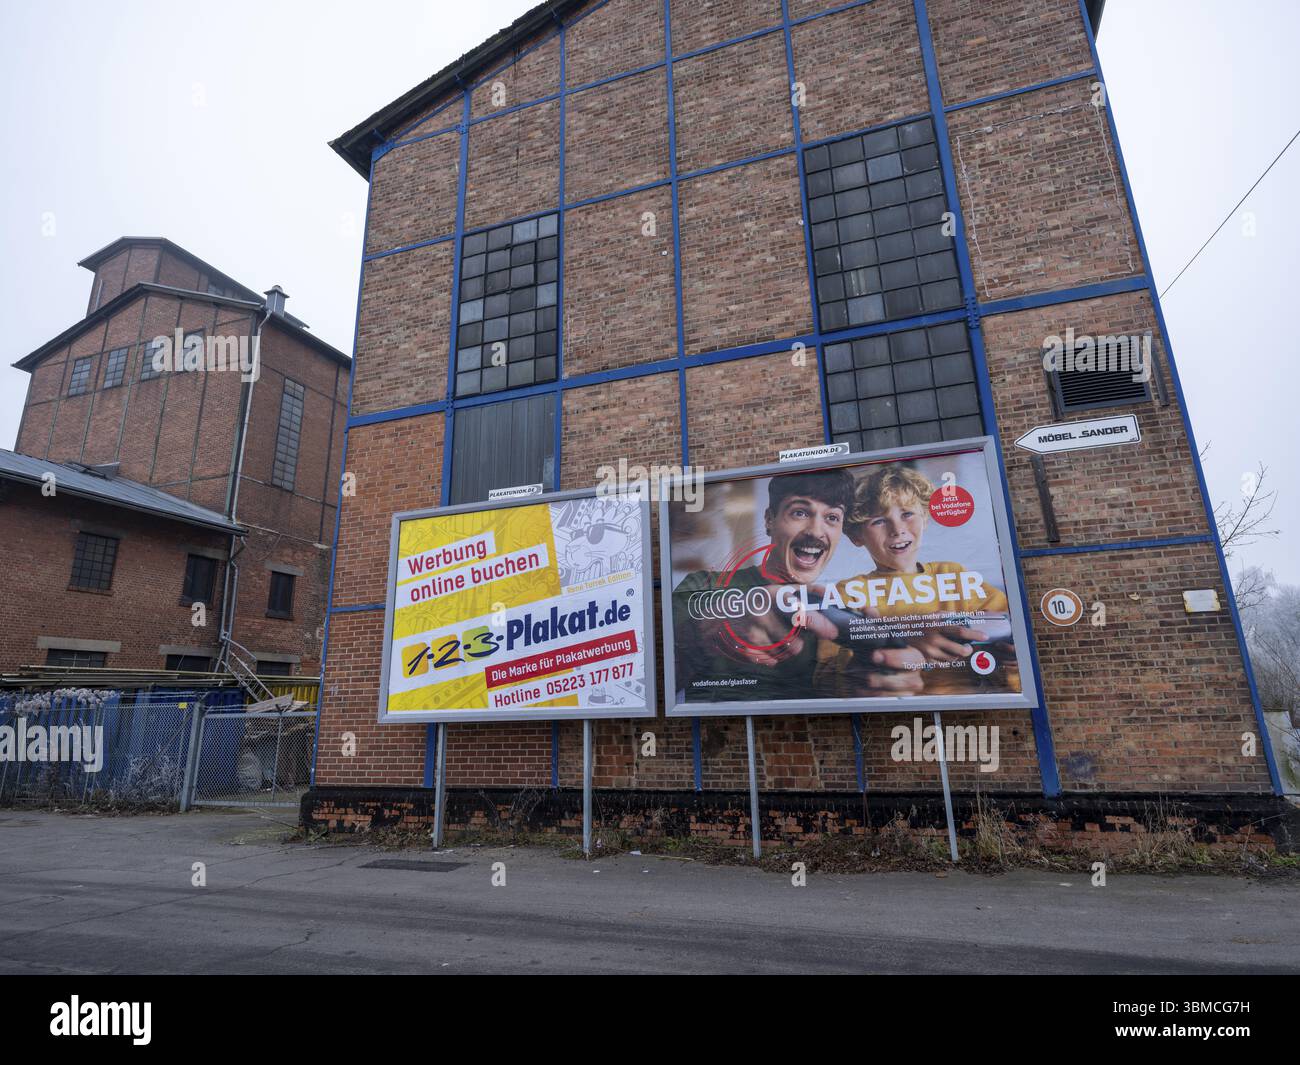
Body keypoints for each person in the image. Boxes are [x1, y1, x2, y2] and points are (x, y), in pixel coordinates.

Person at [672, 468, 924, 702]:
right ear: (770, 520)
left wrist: (868, 686)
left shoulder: (844, 613)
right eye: (800, 512)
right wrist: (717, 630)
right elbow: (659, 674)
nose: (816, 531)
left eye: (832, 517)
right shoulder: (702, 586)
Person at [814, 464, 1013, 695]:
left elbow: (1012, 625)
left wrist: (1010, 650)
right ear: (857, 536)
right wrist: (894, 641)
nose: (897, 529)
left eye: (907, 514)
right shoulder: (848, 593)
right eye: (878, 521)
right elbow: (823, 676)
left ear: (925, 518)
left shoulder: (953, 575)